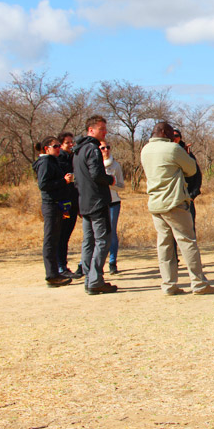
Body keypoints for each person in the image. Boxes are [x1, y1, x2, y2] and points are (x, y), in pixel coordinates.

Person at [140, 121, 214, 296]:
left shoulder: (145, 150)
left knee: (165, 245)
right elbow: (191, 170)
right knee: (187, 242)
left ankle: (169, 284)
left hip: (155, 203)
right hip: (174, 202)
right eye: (170, 133)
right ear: (164, 132)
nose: (172, 136)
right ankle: (199, 284)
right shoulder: (173, 149)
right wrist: (183, 153)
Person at [73, 115, 118, 295]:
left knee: (88, 242)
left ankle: (88, 279)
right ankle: (96, 280)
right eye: (102, 129)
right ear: (91, 130)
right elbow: (96, 175)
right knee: (103, 240)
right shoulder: (92, 149)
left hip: (84, 201)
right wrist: (110, 179)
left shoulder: (78, 150)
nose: (105, 132)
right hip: (97, 201)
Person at [33, 136, 75, 287]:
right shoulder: (45, 162)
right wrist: (63, 181)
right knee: (50, 240)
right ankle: (51, 275)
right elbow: (43, 185)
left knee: (56, 238)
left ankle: (56, 273)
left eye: (59, 146)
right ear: (46, 148)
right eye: (55, 146)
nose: (59, 148)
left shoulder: (52, 161)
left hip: (59, 204)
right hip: (51, 205)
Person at [56, 131, 82, 279]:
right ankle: (60, 266)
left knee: (66, 235)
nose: (71, 145)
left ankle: (63, 265)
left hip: (73, 201)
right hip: (62, 203)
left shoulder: (74, 158)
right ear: (60, 145)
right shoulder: (58, 160)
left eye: (72, 142)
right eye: (68, 143)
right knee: (61, 235)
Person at [100, 140, 125, 275]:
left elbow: (122, 185)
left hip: (113, 202)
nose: (106, 150)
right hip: (99, 203)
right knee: (98, 233)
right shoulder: (94, 164)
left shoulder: (115, 165)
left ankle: (112, 262)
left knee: (112, 232)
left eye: (108, 147)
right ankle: (97, 263)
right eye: (102, 148)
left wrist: (110, 184)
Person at [172, 128, 202, 227]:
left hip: (186, 198)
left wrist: (192, 195)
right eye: (172, 136)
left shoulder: (186, 152)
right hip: (170, 198)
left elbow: (197, 174)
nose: (174, 138)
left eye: (176, 136)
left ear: (180, 138)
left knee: (189, 229)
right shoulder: (166, 152)